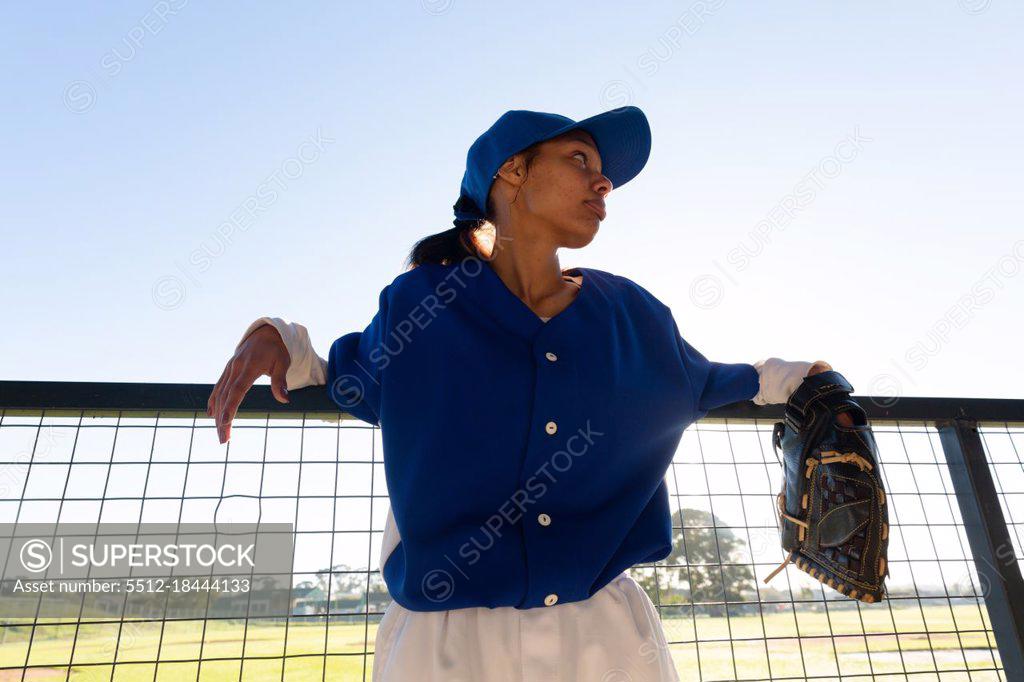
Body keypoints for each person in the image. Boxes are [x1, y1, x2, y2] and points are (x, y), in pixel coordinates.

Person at [208, 106, 846, 681]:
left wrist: (818, 381)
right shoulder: (422, 303)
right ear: (512, 171)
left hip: (604, 640)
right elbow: (332, 375)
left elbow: (733, 382)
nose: (604, 184)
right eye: (580, 162)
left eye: (605, 174)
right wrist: (274, 336)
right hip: (446, 645)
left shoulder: (632, 314)